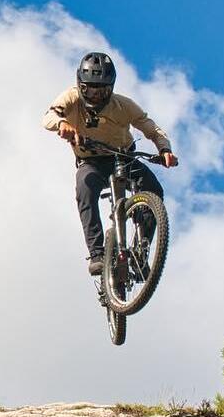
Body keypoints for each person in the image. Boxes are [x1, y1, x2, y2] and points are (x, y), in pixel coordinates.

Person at [42, 52, 178, 276]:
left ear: (111, 88)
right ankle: (97, 254)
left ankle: (141, 250)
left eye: (102, 90)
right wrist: (62, 124)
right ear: (80, 85)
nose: (95, 95)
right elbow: (48, 117)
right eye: (90, 89)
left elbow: (151, 128)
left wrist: (165, 150)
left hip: (123, 157)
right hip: (91, 160)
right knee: (85, 191)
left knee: (154, 190)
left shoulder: (123, 105)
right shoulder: (71, 98)